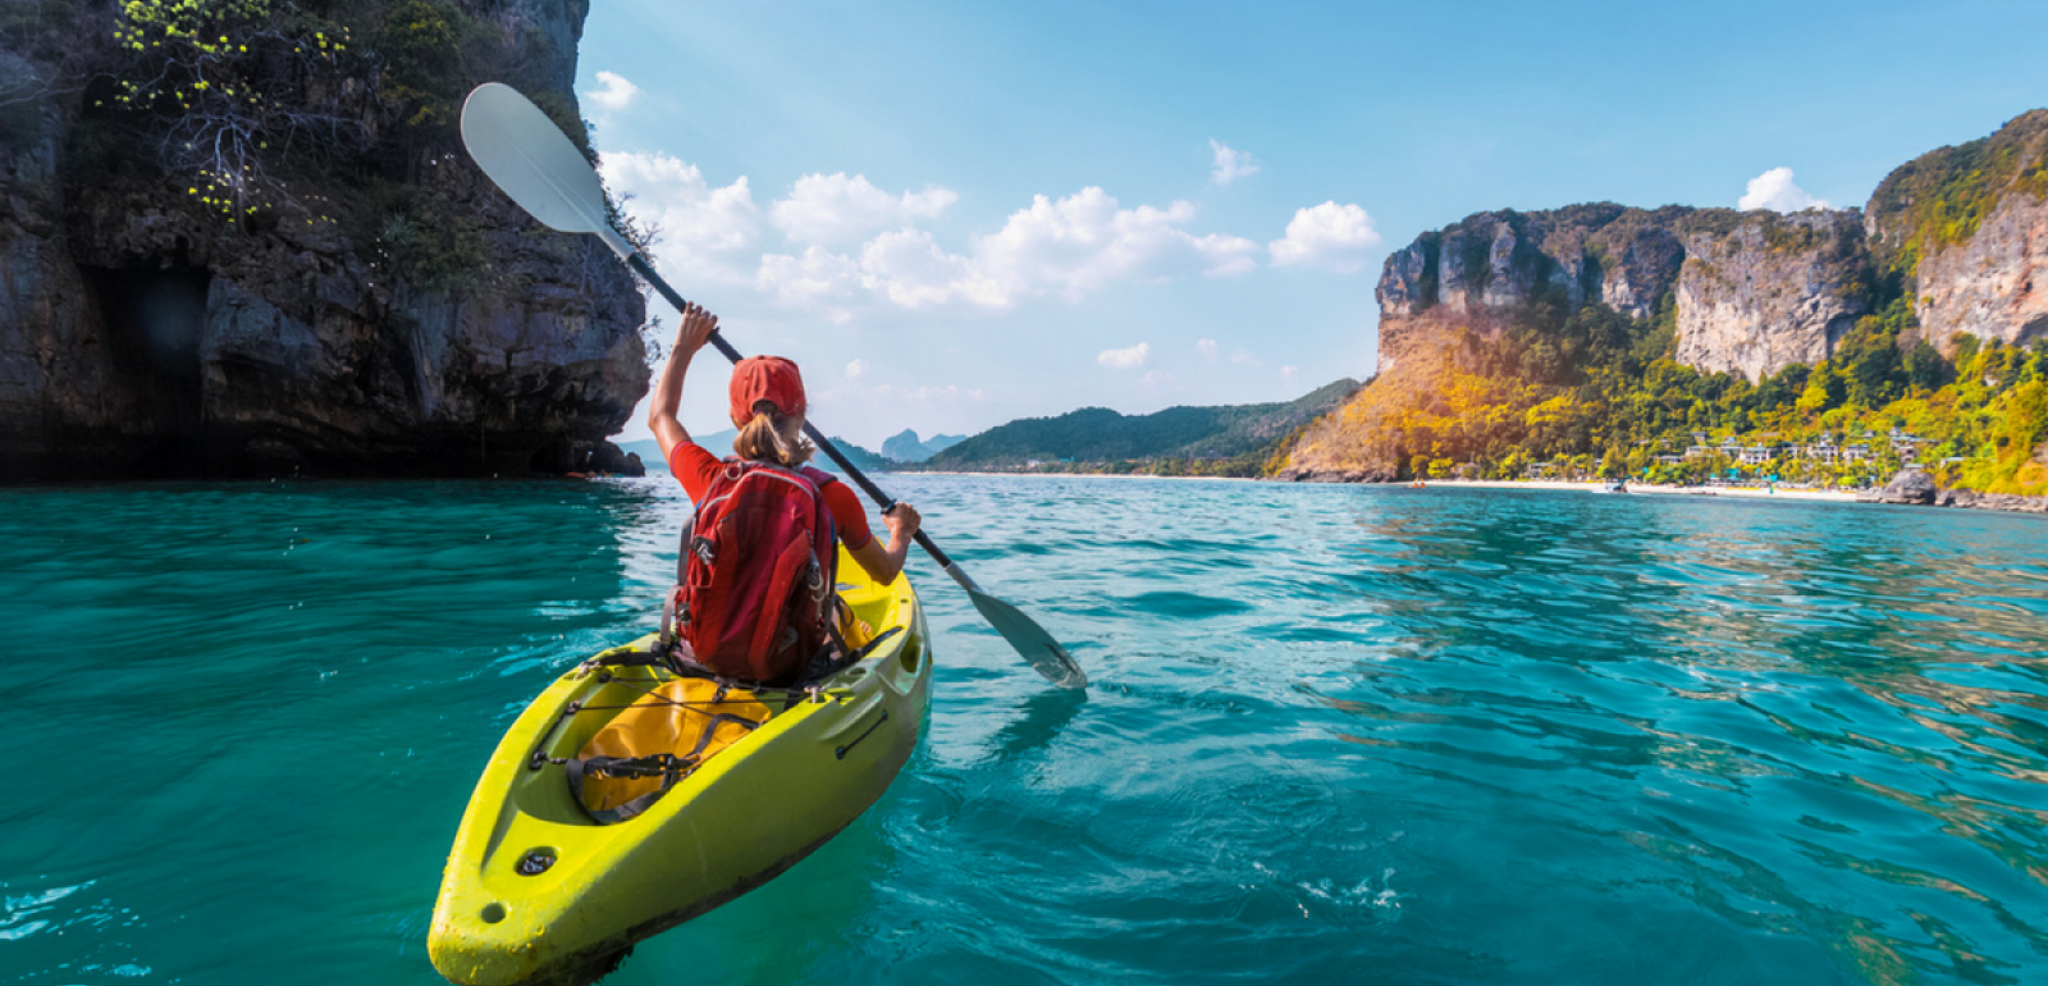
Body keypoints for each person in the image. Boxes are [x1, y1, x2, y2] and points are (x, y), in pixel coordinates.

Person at [647, 302, 921, 590]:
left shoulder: (708, 477)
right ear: (801, 415)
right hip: (793, 637)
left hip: (710, 635)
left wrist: (683, 347)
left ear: (734, 419)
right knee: (836, 610)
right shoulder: (834, 497)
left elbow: (660, 416)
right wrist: (901, 531)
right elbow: (885, 572)